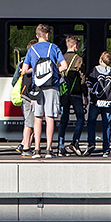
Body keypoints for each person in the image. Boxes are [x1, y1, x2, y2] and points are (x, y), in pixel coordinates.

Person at [22, 24, 68, 159]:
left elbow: (24, 70)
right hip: (52, 86)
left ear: (37, 36)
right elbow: (64, 66)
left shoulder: (32, 50)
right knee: (50, 118)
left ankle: (36, 150)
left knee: (37, 118)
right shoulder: (53, 48)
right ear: (47, 35)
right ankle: (48, 150)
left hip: (37, 88)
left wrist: (36, 71)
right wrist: (54, 71)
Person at [84, 52, 111, 157]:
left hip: (95, 101)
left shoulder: (95, 70)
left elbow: (89, 85)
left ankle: (91, 143)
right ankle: (106, 149)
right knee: (106, 125)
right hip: (108, 102)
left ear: (100, 59)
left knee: (91, 122)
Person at [59, 35, 86, 156]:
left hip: (64, 93)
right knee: (80, 117)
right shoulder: (79, 59)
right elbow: (82, 78)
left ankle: (60, 145)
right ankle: (75, 142)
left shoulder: (61, 58)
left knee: (64, 119)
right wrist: (85, 94)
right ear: (75, 46)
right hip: (76, 93)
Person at [18, 39, 38, 157]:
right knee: (29, 123)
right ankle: (25, 147)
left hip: (26, 93)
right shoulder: (30, 62)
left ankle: (26, 144)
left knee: (32, 122)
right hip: (29, 95)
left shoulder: (24, 61)